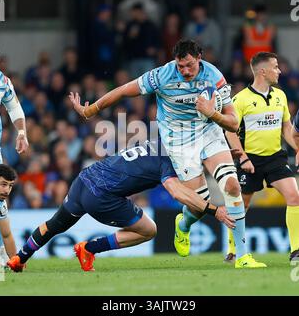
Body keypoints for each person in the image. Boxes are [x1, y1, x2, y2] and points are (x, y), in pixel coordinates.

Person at [69, 39, 266, 268]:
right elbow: (124, 90)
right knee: (198, 206)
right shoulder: (162, 75)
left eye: (189, 66)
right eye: (180, 66)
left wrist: (213, 114)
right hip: (178, 141)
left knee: (232, 185)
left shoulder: (214, 77)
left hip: (209, 132)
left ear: (199, 58)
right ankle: (183, 225)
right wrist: (91, 110)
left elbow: (233, 124)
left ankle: (242, 256)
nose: (184, 71)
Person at [7, 138, 235, 272]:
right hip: (102, 196)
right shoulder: (170, 160)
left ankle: (19, 258)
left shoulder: (156, 142)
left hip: (85, 178)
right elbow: (178, 193)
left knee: (56, 224)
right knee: (149, 230)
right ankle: (89, 249)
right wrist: (214, 210)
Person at [225, 52, 299, 262]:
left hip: (275, 158)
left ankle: (296, 250)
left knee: (295, 197)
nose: (279, 70)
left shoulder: (280, 95)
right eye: (275, 67)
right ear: (262, 71)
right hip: (251, 160)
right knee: (242, 205)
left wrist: (297, 148)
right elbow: (230, 132)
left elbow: (286, 127)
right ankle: (233, 249)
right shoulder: (239, 100)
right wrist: (244, 158)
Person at [0, 70, 29, 264]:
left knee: (1, 210)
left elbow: (14, 108)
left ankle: (11, 260)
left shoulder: (1, 80)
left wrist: (21, 131)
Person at [0, 164, 17, 266]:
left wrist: (16, 261)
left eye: (10, 186)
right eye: (3, 184)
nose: (7, 191)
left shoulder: (1, 205)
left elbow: (6, 235)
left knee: (0, 272)